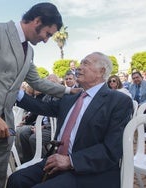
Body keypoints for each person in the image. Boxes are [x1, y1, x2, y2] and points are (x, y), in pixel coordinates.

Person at [0, 3, 78, 188]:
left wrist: (69, 91)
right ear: (37, 21)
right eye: (47, 34)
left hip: (5, 127)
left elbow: (37, 82)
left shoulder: (29, 50)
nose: (46, 40)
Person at [7, 52, 133, 188]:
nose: (79, 67)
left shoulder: (118, 101)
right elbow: (42, 106)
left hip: (89, 170)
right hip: (56, 160)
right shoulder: (71, 98)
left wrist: (70, 161)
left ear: (101, 71)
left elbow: (111, 149)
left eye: (86, 63)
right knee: (16, 179)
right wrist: (13, 91)